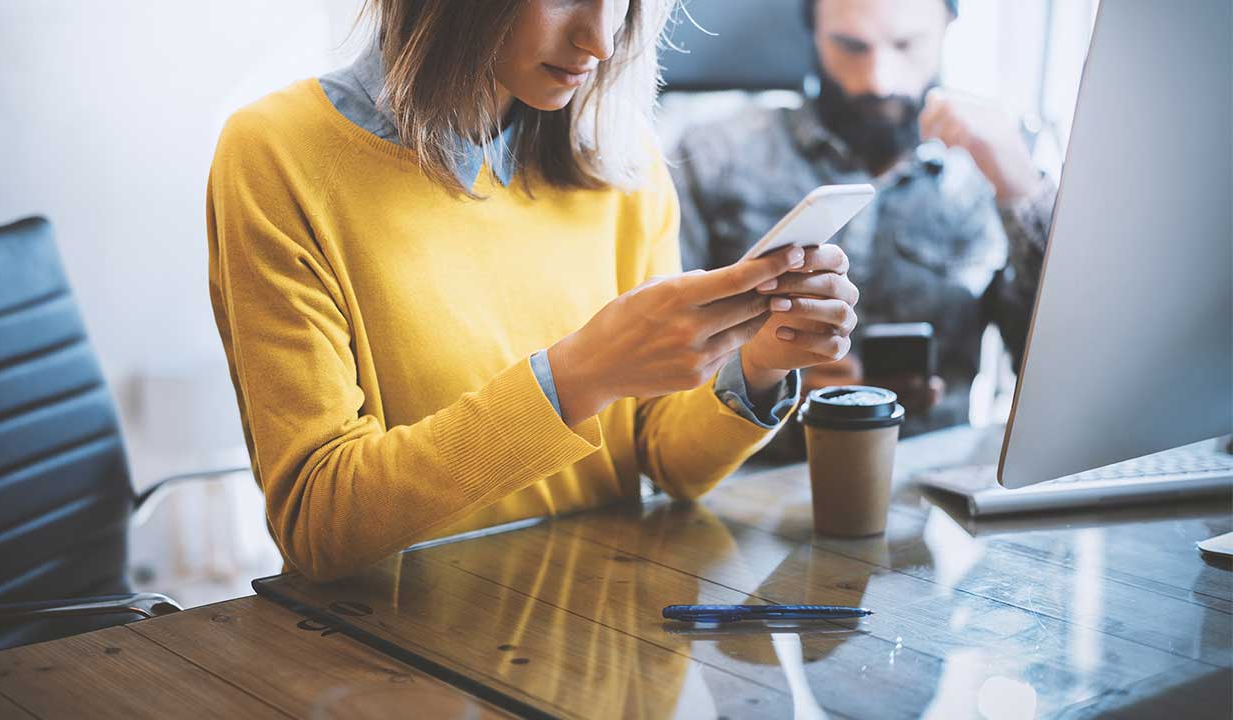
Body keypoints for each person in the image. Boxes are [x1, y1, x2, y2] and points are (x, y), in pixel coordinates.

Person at [207, 0, 860, 582]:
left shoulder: (622, 155)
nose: (602, 40)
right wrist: (577, 378)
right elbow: (321, 522)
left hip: (604, 654)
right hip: (395, 664)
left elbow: (667, 460)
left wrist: (760, 361)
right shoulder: (279, 154)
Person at [672, 0, 1055, 454]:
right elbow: (665, 360)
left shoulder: (998, 163)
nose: (879, 80)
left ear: (948, 26)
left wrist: (1021, 190)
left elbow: (1058, 372)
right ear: (812, 29)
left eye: (906, 44)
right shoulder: (714, 156)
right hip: (749, 472)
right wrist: (763, 376)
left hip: (932, 474)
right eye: (850, 46)